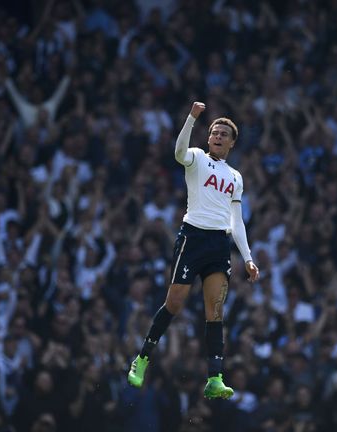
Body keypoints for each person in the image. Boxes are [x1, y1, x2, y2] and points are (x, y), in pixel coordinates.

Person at [127, 101, 260, 399]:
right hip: (193, 237)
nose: (217, 136)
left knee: (215, 310)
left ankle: (215, 378)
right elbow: (178, 153)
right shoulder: (197, 158)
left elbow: (236, 220)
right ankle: (143, 357)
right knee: (174, 303)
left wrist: (248, 258)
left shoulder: (236, 177)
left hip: (218, 243)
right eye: (214, 131)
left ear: (232, 142)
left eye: (224, 134)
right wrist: (191, 118)